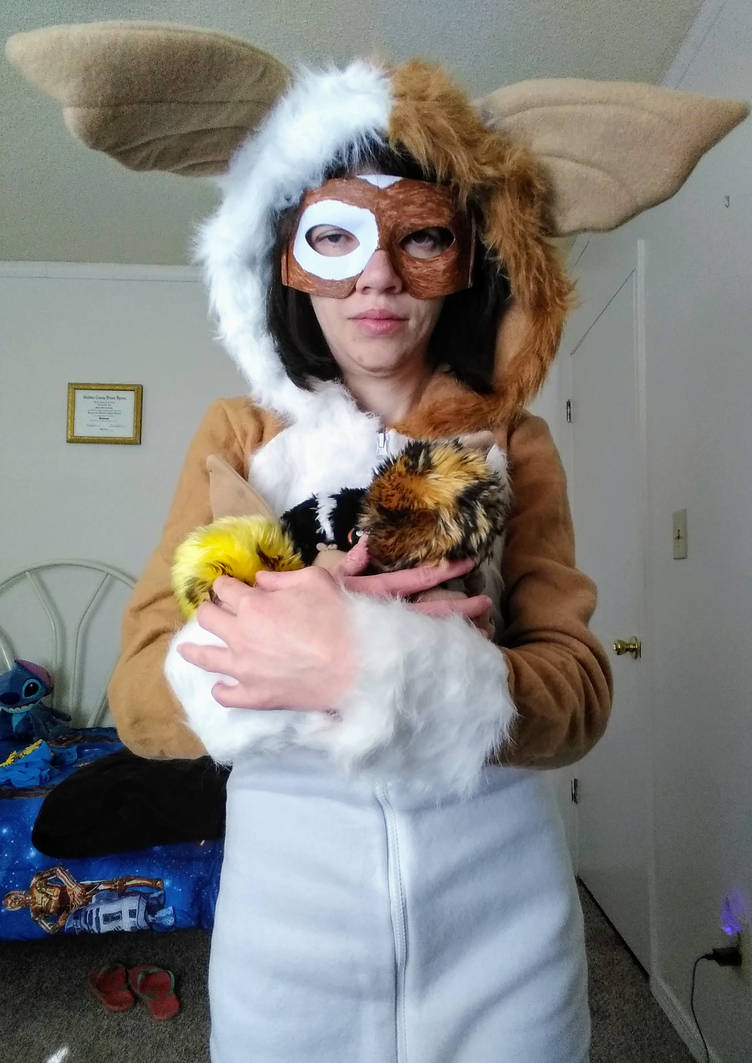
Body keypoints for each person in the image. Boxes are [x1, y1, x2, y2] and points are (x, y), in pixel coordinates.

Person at [9, 21, 744, 1062]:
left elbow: (578, 692)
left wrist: (383, 667)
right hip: (287, 929)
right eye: (336, 237)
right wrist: (281, 651)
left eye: (422, 237)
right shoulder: (238, 436)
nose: (379, 279)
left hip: (504, 920)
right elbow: (139, 697)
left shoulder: (515, 443)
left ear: (468, 256)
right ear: (286, 259)